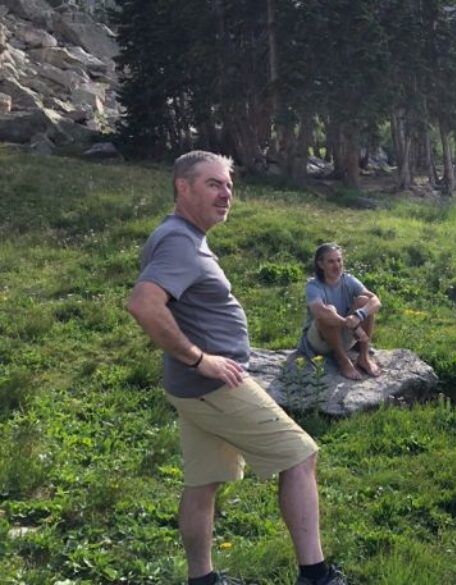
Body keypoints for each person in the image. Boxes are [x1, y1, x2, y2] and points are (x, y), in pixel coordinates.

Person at [126, 151, 345, 585]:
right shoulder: (178, 240)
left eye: (228, 185)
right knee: (301, 455)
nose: (225, 194)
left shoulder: (180, 235)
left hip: (192, 386)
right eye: (213, 184)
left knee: (204, 481)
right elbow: (144, 305)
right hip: (213, 385)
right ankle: (315, 575)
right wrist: (200, 358)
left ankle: (202, 579)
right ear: (182, 188)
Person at [297, 243, 382, 381]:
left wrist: (358, 315)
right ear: (320, 264)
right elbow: (319, 311)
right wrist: (350, 324)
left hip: (345, 335)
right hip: (320, 341)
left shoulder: (349, 280)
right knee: (328, 310)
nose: (336, 266)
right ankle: (343, 361)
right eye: (331, 261)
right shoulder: (313, 285)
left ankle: (363, 357)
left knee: (364, 301)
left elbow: (376, 301)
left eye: (339, 260)